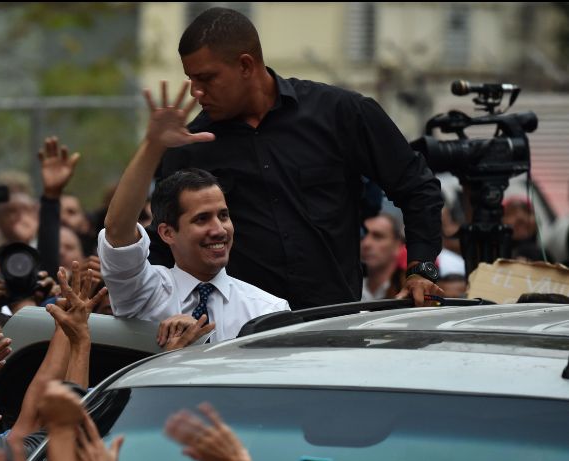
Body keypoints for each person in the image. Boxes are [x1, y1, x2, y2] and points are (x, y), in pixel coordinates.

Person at [152, 7, 444, 309]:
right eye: (191, 80)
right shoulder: (190, 146)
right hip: (243, 328)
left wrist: (420, 269)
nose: (196, 92)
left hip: (334, 321)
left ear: (245, 65)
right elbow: (163, 243)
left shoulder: (340, 113)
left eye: (206, 78)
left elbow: (417, 186)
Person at [99, 82, 289, 345]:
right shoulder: (145, 293)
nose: (219, 229)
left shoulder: (268, 311)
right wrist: (154, 146)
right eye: (202, 219)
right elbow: (117, 231)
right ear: (167, 232)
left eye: (223, 216)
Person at [360, 213, 405, 301]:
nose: (366, 243)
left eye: (378, 236)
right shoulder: (347, 290)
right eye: (362, 236)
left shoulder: (410, 290)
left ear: (397, 245)